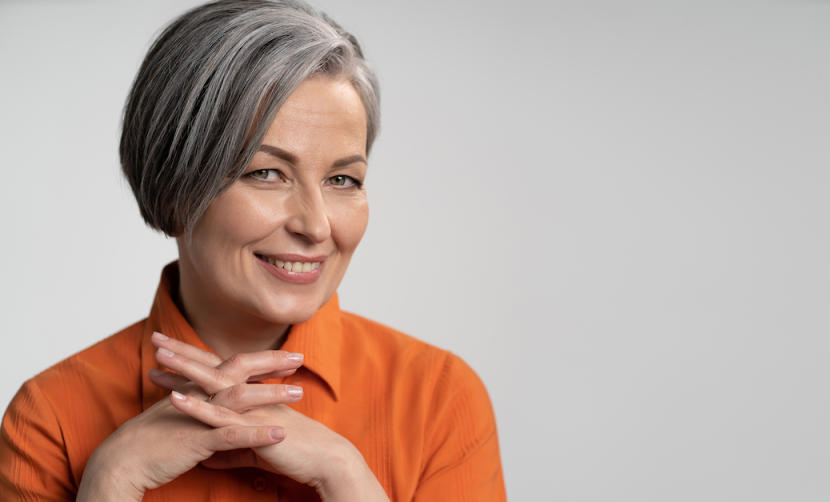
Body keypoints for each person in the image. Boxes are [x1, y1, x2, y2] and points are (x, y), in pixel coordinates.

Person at [0, 1, 507, 500]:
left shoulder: (440, 398)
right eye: (266, 173)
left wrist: (347, 478)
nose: (315, 225)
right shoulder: (51, 417)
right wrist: (108, 483)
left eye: (342, 179)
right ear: (175, 188)